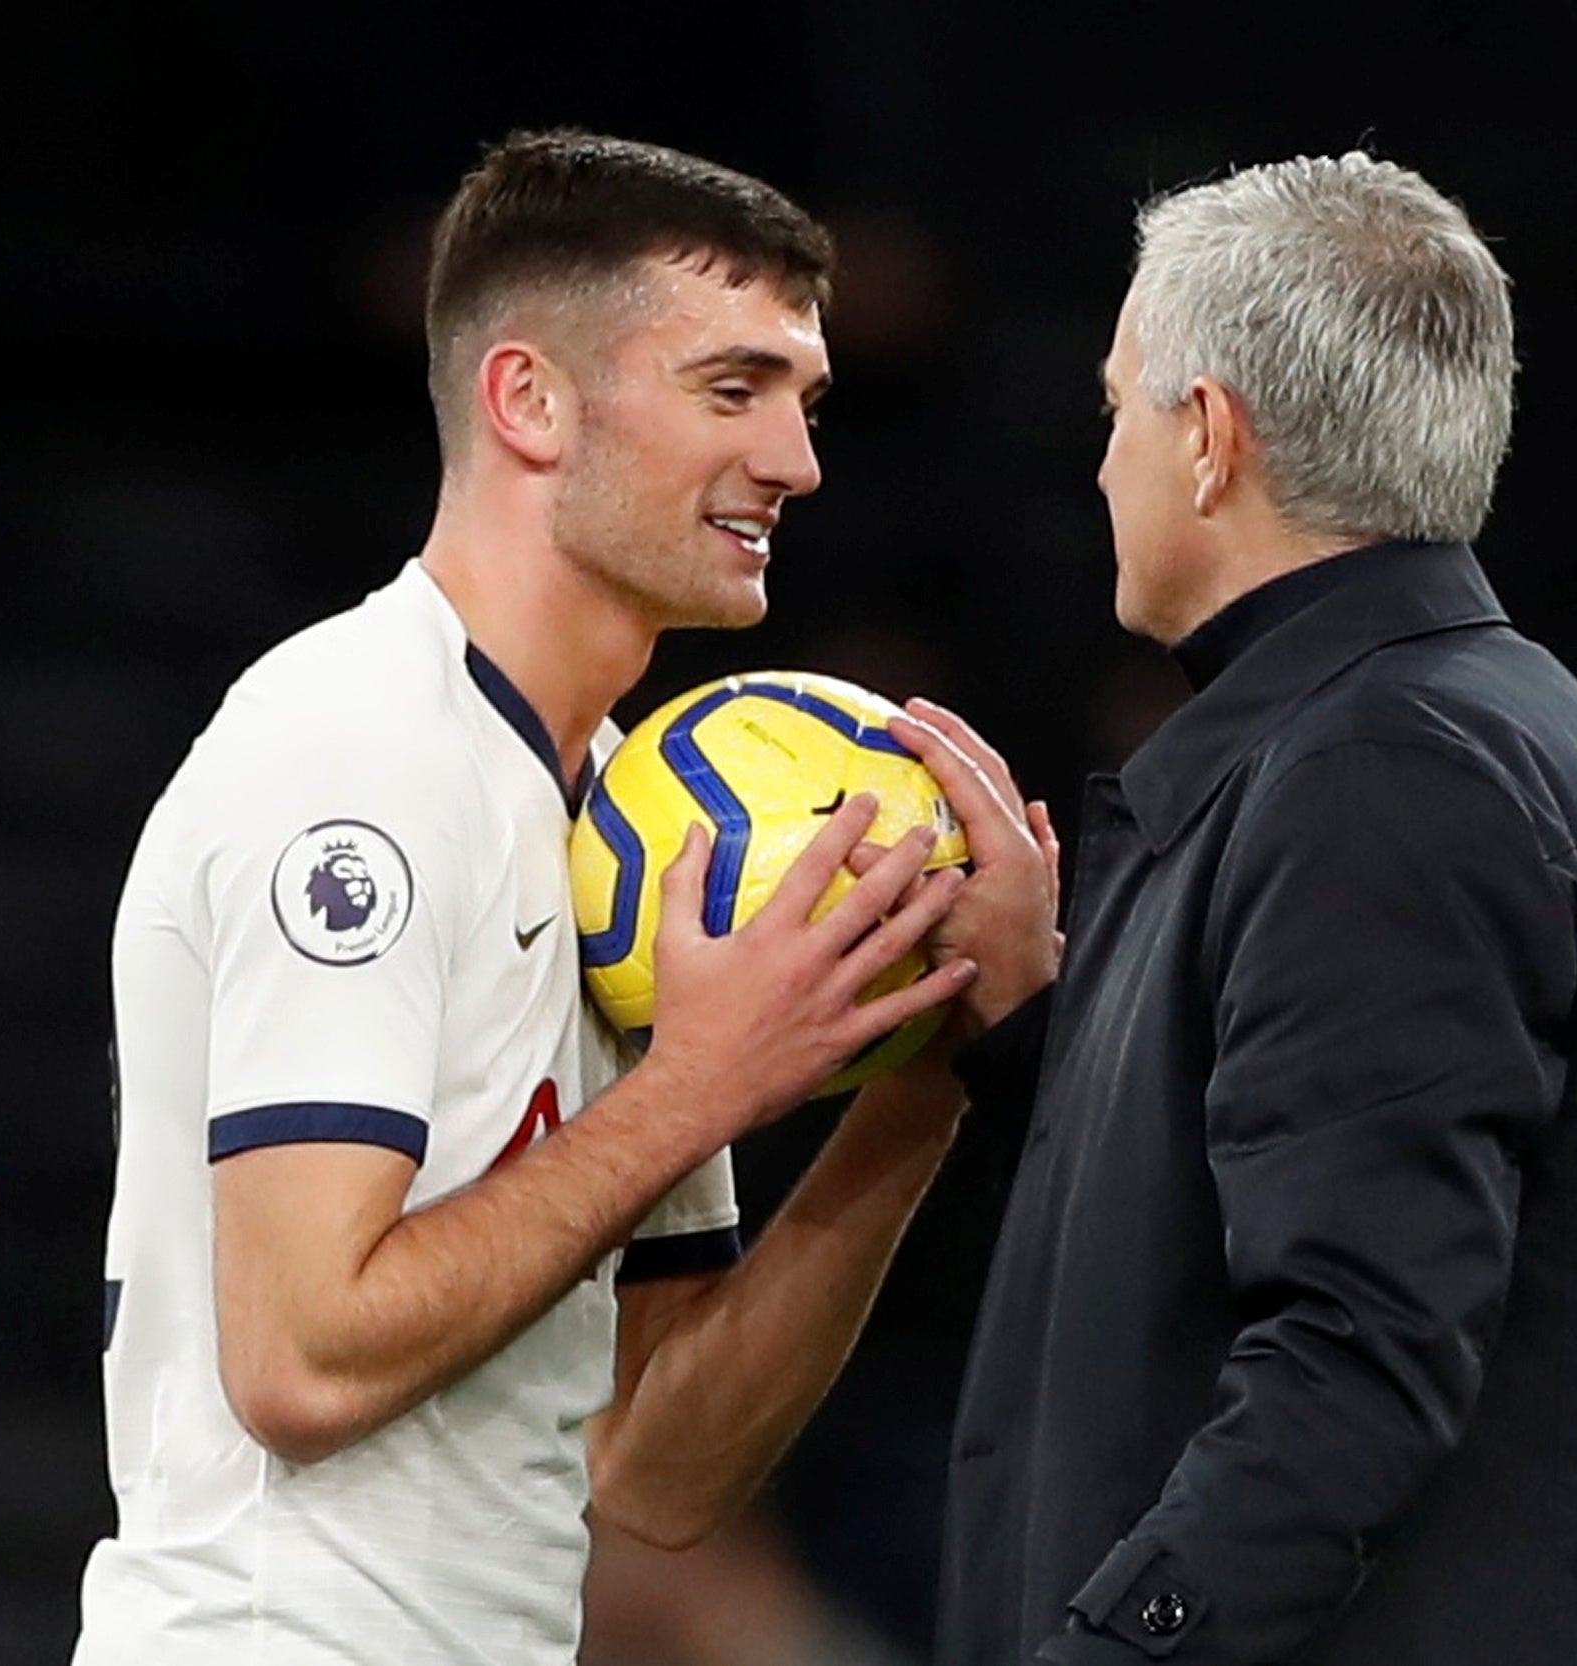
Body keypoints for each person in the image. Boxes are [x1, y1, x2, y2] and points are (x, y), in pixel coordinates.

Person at [71, 130, 1055, 1666]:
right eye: (734, 391)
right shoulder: (359, 751)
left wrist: (928, 1057)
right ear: (529, 399)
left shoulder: (626, 826)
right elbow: (300, 1360)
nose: (796, 461)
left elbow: (658, 1466)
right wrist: (701, 1087)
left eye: (805, 400)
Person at [910, 153, 1577, 1664]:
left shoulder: (1383, 774)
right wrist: (1032, 1033)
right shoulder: (1471, 730)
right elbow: (1321, 1180)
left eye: (1117, 408)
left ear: (1210, 442)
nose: (1101, 460)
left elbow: (1357, 1358)